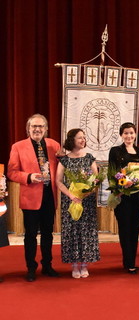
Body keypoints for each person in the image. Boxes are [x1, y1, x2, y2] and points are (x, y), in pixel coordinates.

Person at [7, 114, 60, 282]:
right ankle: (31, 267)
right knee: (30, 235)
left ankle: (47, 265)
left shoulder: (54, 145)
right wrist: (29, 177)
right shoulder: (18, 147)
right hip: (30, 198)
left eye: (41, 127)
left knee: (48, 234)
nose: (37, 129)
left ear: (46, 129)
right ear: (28, 129)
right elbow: (11, 172)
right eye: (34, 127)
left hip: (49, 196)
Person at [55, 128, 100, 279]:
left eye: (84, 137)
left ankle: (85, 264)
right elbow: (58, 181)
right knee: (72, 231)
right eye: (79, 138)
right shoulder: (65, 160)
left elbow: (96, 179)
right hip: (70, 201)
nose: (83, 140)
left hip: (86, 202)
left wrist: (88, 191)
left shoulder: (89, 158)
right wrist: (71, 195)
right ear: (72, 140)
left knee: (86, 231)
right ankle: (74, 264)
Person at [108, 122, 139, 274]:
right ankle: (129, 262)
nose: (129, 136)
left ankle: (132, 261)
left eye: (131, 133)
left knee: (134, 229)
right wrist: (124, 182)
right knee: (125, 229)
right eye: (126, 133)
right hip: (122, 196)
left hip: (137, 196)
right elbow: (112, 172)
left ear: (135, 134)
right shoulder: (115, 151)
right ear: (121, 135)